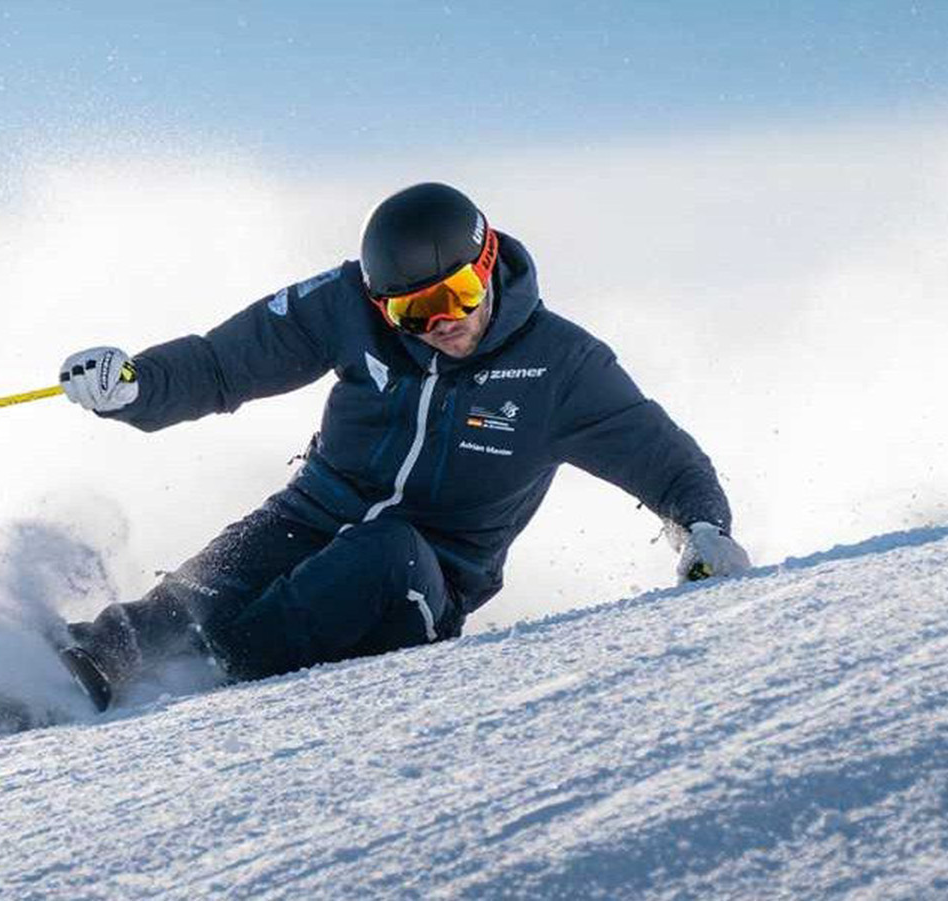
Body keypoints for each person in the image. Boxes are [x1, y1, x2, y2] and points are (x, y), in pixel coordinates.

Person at [54, 182, 751, 711]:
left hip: (427, 579)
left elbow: (665, 459)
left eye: (459, 293)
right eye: (414, 311)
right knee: (204, 586)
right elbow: (224, 363)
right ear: (381, 302)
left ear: (489, 263)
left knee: (380, 550)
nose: (442, 322)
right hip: (315, 509)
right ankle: (60, 679)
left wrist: (705, 526)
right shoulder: (343, 303)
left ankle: (205, 681)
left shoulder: (561, 366)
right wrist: (135, 387)